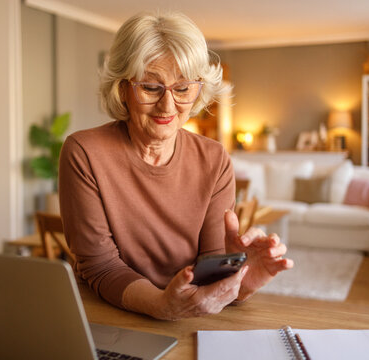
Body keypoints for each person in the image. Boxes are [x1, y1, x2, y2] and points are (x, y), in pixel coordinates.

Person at [59, 11, 293, 320]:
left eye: (182, 89)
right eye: (150, 87)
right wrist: (161, 304)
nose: (167, 106)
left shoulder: (214, 158)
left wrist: (241, 282)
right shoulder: (84, 152)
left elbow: (211, 263)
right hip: (110, 317)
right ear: (122, 88)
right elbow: (101, 267)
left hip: (185, 316)